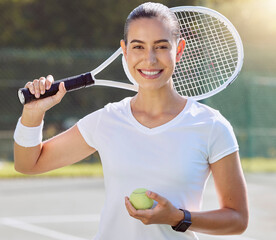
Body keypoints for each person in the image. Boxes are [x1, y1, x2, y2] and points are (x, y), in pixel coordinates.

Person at [13, 2, 248, 240]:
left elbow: (237, 219)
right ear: (124, 50)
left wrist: (177, 217)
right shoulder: (107, 120)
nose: (150, 59)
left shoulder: (211, 126)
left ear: (178, 50)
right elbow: (28, 164)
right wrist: (33, 113)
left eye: (161, 46)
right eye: (138, 46)